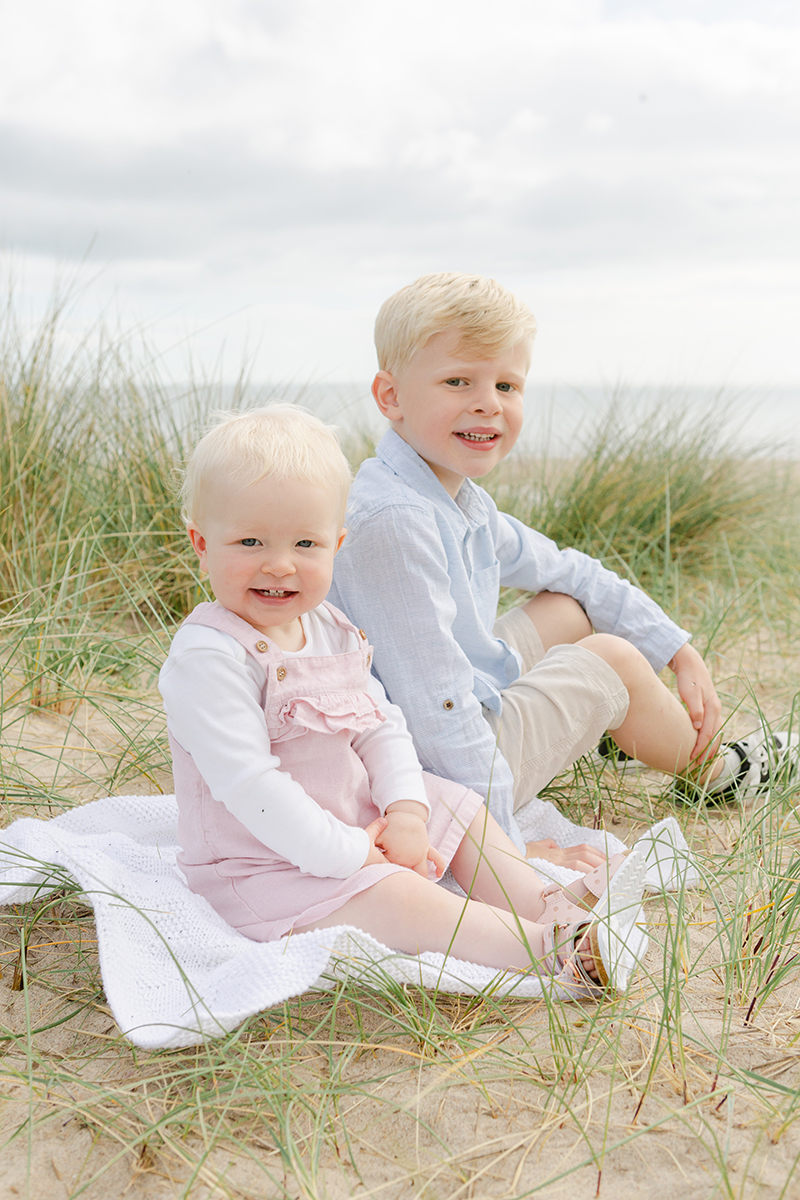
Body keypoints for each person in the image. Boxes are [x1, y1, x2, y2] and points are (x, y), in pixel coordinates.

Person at [158, 405, 649, 996]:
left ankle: (541, 899)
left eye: (306, 542)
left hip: (354, 818)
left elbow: (380, 725)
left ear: (336, 544)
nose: (280, 563)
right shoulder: (209, 658)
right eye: (249, 540)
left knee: (457, 805)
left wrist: (408, 812)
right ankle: (548, 949)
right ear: (201, 543)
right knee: (403, 899)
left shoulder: (330, 626)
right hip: (267, 867)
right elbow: (250, 787)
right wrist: (356, 854)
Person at [328, 272, 799, 860]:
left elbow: (569, 570)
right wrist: (509, 851)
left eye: (507, 384)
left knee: (568, 610)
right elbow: (435, 713)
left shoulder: (449, 494)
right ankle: (716, 774)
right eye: (458, 381)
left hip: (458, 703)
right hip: (418, 771)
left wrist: (676, 649)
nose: (488, 403)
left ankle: (622, 726)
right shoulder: (395, 520)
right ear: (390, 396)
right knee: (613, 658)